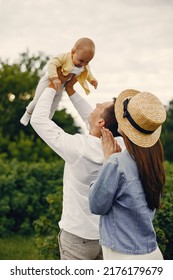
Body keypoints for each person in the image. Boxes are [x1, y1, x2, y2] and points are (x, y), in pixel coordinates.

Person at [30, 72, 123, 260]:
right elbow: (96, 123)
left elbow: (38, 120)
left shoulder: (79, 149)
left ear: (101, 122)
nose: (95, 105)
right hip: (105, 235)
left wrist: (51, 86)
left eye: (100, 105)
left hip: (77, 237)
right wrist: (71, 90)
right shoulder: (119, 146)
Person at [89, 89, 167, 260]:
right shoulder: (153, 162)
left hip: (123, 257)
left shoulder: (116, 162)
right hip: (152, 253)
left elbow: (96, 205)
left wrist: (107, 160)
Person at [20, 37, 98, 126]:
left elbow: (88, 73)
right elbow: (52, 64)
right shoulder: (64, 57)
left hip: (61, 86)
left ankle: (47, 120)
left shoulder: (84, 65)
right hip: (48, 81)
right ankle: (28, 114)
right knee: (37, 100)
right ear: (73, 52)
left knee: (54, 105)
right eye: (81, 60)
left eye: (87, 62)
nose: (83, 64)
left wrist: (92, 81)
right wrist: (54, 78)